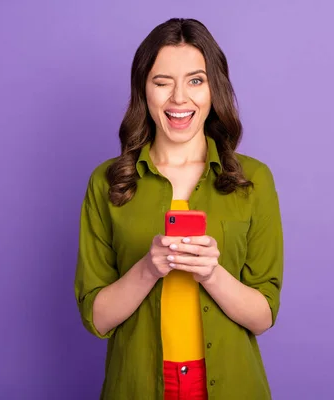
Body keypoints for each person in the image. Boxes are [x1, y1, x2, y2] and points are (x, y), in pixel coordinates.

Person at [74, 18, 283, 400]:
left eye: (195, 80)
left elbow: (263, 316)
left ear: (213, 89)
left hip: (233, 386)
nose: (179, 99)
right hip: (136, 386)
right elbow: (97, 317)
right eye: (162, 81)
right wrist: (149, 268)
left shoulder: (253, 180)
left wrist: (211, 274)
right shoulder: (106, 182)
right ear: (144, 90)